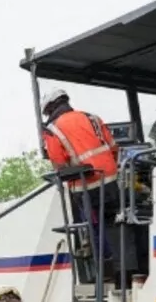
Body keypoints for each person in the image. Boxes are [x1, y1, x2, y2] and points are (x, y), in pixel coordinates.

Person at [40, 89, 119, 261]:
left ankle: (104, 262)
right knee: (111, 220)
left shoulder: (52, 130)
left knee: (93, 224)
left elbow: (59, 165)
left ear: (50, 109)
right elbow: (113, 148)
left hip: (87, 184)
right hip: (111, 178)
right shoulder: (92, 118)